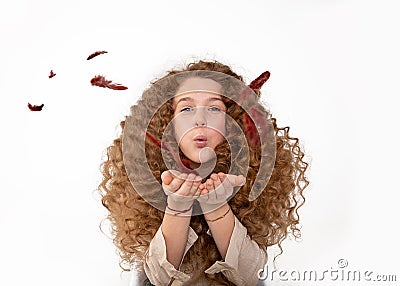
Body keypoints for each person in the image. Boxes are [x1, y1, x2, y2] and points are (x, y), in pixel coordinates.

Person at [99, 60, 309, 285]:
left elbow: (250, 276)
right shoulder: (149, 183)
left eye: (214, 108)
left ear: (232, 123)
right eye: (186, 108)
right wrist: (178, 205)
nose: (200, 119)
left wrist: (216, 206)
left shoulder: (247, 178)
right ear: (167, 124)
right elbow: (157, 279)